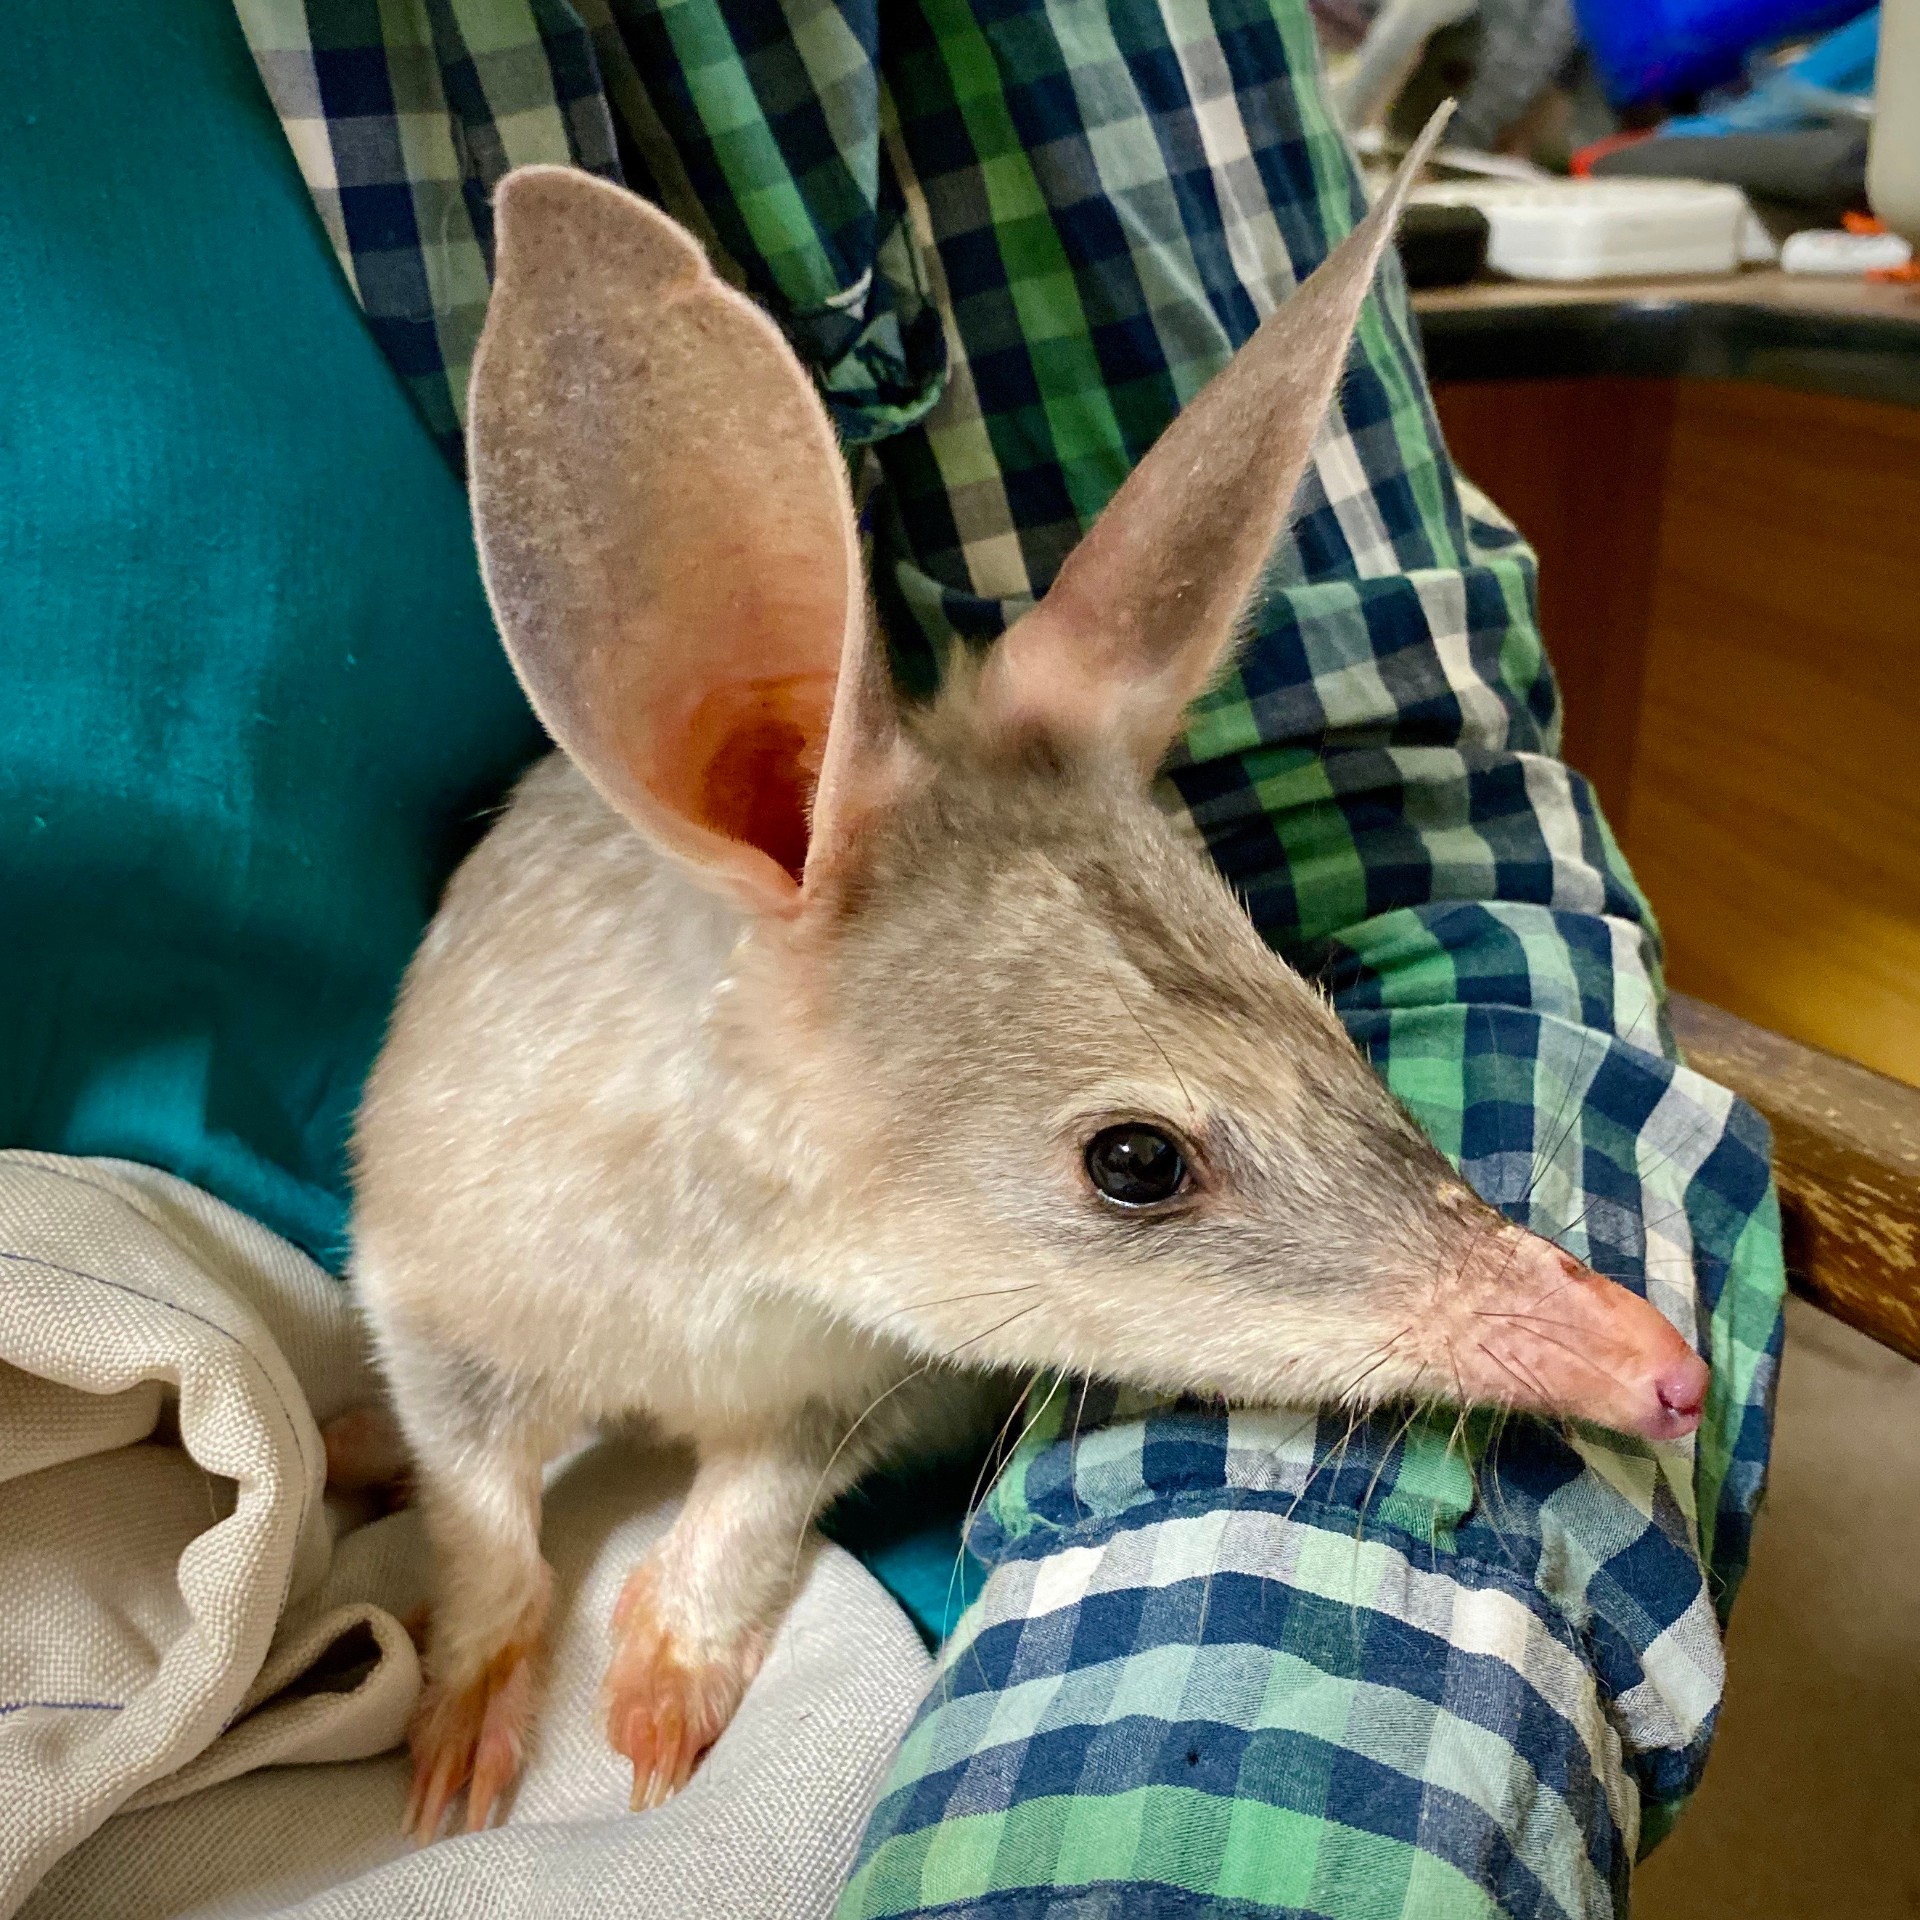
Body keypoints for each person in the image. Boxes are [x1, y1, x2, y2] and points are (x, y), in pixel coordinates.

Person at [0, 1, 1782, 1915]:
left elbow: (1390, 824)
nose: (1625, 1369)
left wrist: (729, 1537)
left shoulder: (963, 1031)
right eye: (1138, 1166)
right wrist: (494, 1581)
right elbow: (443, 1313)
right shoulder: (578, 1138)